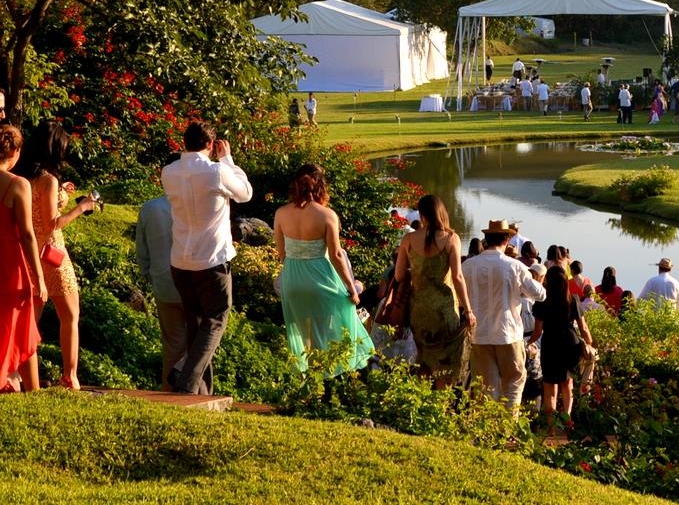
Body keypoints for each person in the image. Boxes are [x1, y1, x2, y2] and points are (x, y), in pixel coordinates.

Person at [163, 121, 253, 395]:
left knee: (196, 325)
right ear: (211, 145)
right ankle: (188, 379)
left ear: (185, 143)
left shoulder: (169, 172)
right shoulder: (216, 171)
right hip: (212, 260)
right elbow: (245, 193)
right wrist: (227, 158)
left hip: (180, 261)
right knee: (216, 319)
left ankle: (201, 391)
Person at [274, 164, 375, 374]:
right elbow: (337, 255)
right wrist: (351, 288)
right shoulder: (327, 215)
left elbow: (281, 253)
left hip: (292, 281)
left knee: (304, 337)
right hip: (320, 279)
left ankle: (309, 380)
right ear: (321, 186)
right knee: (339, 323)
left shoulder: (281, 213)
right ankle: (330, 379)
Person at [25, 123, 99, 389]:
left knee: (30, 320)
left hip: (30, 254)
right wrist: (82, 207)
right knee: (70, 316)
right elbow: (52, 223)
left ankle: (22, 372)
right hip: (53, 255)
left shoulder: (24, 177)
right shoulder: (48, 180)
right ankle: (70, 376)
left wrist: (63, 195)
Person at [462, 219, 544, 409]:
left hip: (479, 334)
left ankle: (486, 430)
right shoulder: (514, 266)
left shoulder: (468, 265)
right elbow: (540, 294)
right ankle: (507, 429)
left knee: (485, 386)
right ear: (507, 240)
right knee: (514, 381)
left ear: (486, 240)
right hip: (508, 333)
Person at [394, 194, 475, 389]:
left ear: (421, 215)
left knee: (424, 359)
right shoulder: (451, 238)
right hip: (445, 310)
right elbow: (457, 277)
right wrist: (469, 310)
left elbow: (398, 276)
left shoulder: (409, 239)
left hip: (419, 310)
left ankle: (422, 402)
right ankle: (439, 406)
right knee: (445, 363)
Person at [0, 125, 44, 392]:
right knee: (22, 325)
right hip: (9, 262)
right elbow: (28, 234)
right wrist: (39, 277)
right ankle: (35, 390)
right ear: (15, 152)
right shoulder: (18, 184)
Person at [529, 267, 593, 424]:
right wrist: (590, 343)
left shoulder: (541, 301)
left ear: (548, 281)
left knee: (549, 385)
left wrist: (528, 343)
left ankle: (550, 425)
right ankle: (567, 420)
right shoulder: (573, 299)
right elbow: (583, 328)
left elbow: (537, 332)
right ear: (566, 281)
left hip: (550, 343)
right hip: (570, 343)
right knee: (567, 383)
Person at [135, 189, 184, 390]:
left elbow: (141, 247)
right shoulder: (192, 206)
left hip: (162, 282)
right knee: (200, 340)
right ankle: (192, 388)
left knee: (172, 343)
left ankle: (170, 391)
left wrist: (149, 274)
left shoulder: (149, 207)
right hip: (192, 281)